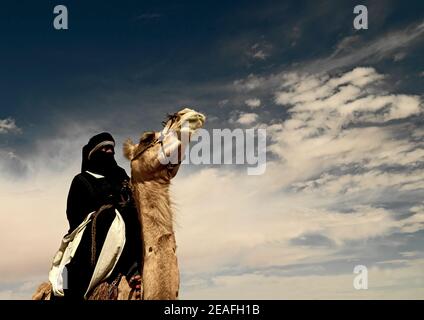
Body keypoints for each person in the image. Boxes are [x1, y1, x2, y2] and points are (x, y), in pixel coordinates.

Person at [61, 132, 142, 300]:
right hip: (94, 232)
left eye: (112, 148)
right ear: (93, 153)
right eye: (104, 148)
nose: (109, 152)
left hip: (128, 225)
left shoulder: (121, 175)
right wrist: (105, 209)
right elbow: (74, 214)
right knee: (68, 275)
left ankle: (136, 268)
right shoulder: (82, 180)